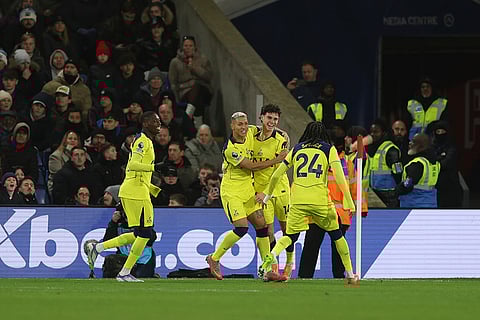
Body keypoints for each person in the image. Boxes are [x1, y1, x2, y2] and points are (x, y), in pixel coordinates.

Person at [258, 121, 358, 284]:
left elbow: (276, 174)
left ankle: (272, 255)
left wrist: (268, 195)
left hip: (297, 200)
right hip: (320, 201)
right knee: (337, 236)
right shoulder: (328, 149)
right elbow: (339, 176)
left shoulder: (297, 149)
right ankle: (350, 273)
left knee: (290, 236)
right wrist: (348, 200)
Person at [205, 111, 287, 280]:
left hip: (248, 190)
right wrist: (277, 160)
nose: (243, 127)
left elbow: (265, 127)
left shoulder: (250, 131)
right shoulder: (230, 149)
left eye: (245, 123)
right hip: (232, 192)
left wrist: (280, 132)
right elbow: (251, 166)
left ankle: (267, 270)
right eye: (239, 124)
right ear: (232, 126)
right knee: (242, 228)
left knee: (262, 226)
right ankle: (214, 258)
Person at [84, 111, 162, 282]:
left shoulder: (146, 140)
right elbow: (132, 164)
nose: (159, 125)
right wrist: (152, 168)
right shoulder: (142, 141)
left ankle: (98, 247)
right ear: (146, 123)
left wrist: (151, 186)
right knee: (145, 233)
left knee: (139, 234)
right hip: (135, 192)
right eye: (156, 121)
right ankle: (124, 272)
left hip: (138, 190)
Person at [251, 104, 292, 278]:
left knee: (287, 229)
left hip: (280, 189)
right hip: (261, 190)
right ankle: (273, 266)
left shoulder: (281, 138)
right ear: (261, 117)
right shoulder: (251, 135)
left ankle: (289, 262)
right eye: (269, 118)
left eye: (275, 119)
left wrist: (266, 192)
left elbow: (278, 169)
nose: (272, 122)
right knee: (267, 231)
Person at [168, 35, 213, 126]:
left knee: (198, 88)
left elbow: (208, 77)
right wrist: (175, 98)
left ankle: (188, 116)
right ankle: (198, 122)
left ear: (195, 47)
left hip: (203, 89)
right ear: (182, 47)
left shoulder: (203, 59)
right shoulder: (175, 62)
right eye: (186, 46)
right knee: (198, 95)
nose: (188, 48)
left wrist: (195, 68)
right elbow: (173, 82)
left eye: (190, 46)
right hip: (184, 91)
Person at [397, 133, 440, 208]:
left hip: (413, 205)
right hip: (431, 203)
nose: (409, 143)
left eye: (413, 141)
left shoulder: (417, 164)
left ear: (421, 146)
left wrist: (397, 190)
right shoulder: (435, 163)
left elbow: (408, 183)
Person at [368, 118, 403, 208]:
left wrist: (395, 192)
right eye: (371, 132)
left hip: (389, 195)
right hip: (375, 193)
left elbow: (398, 172)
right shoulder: (375, 148)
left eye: (376, 132)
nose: (372, 134)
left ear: (383, 133)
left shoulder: (391, 149)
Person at [428, 120, 462, 208]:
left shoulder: (452, 148)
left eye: (442, 131)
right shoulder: (431, 148)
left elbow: (445, 164)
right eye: (438, 131)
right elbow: (430, 162)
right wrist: (441, 158)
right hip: (435, 188)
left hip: (451, 187)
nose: (440, 134)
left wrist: (437, 160)